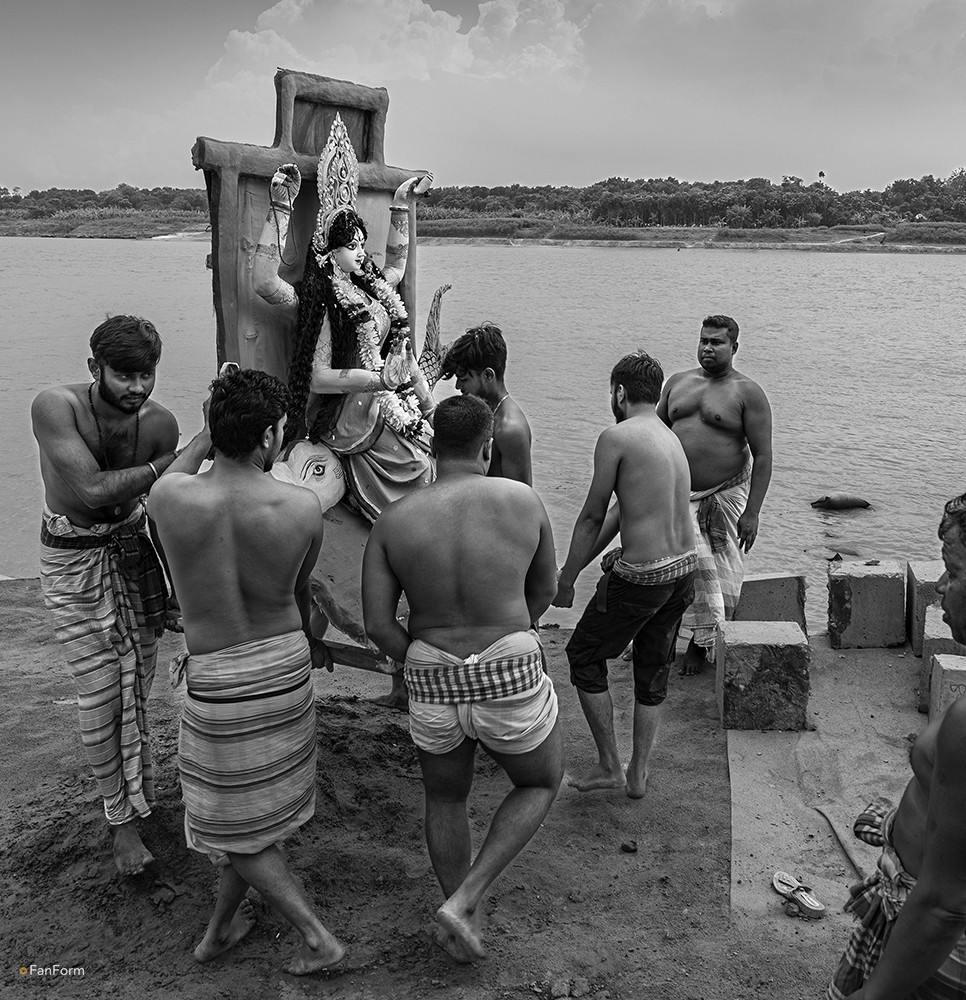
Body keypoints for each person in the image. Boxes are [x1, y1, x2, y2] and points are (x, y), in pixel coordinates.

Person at [146, 367, 345, 975]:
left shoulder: (169, 498)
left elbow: (177, 473)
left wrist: (209, 433)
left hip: (218, 679)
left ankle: (316, 936)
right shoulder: (302, 506)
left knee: (234, 825)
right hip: (282, 668)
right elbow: (299, 587)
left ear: (213, 428)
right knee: (250, 823)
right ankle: (219, 932)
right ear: (269, 437)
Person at [361, 394, 562, 963]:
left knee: (445, 797)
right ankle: (468, 898)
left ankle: (458, 909)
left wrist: (425, 663)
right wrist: (506, 638)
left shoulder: (393, 520)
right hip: (509, 668)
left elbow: (378, 624)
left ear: (431, 445)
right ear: (488, 444)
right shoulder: (523, 501)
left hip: (432, 677)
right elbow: (543, 592)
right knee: (541, 781)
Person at [31, 315, 211, 876]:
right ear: (94, 368)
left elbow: (159, 510)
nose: (137, 387)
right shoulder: (55, 406)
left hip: (132, 554)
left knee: (138, 687)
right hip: (72, 558)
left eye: (147, 375)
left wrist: (175, 590)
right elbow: (90, 489)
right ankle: (121, 823)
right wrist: (182, 454)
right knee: (102, 694)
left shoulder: (160, 422)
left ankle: (139, 795)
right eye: (125, 375)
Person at [828, 485, 966, 1000]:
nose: (941, 586)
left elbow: (946, 902)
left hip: (948, 947)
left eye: (955, 570)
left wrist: (875, 995)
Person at [251, 113, 436, 523]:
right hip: (347, 414)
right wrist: (281, 206)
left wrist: (401, 205)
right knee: (417, 465)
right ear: (327, 248)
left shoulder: (370, 285)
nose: (358, 251)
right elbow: (265, 283)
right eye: (349, 245)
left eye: (360, 243)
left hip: (388, 396)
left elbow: (397, 268)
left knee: (429, 448)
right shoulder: (319, 299)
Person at [554, 351, 696, 799]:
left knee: (583, 655)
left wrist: (565, 581)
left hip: (645, 577)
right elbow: (621, 513)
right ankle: (638, 774)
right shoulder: (667, 437)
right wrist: (570, 571)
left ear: (619, 392)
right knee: (653, 668)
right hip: (684, 569)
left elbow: (594, 516)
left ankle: (609, 766)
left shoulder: (615, 437)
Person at [656, 315, 772, 675]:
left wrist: (752, 513)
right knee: (667, 567)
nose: (708, 347)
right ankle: (662, 635)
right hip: (676, 493)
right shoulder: (677, 383)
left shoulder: (747, 393)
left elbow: (763, 455)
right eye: (704, 340)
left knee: (714, 574)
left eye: (717, 342)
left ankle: (699, 641)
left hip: (723, 496)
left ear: (734, 348)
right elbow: (652, 433)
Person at [442, 322, 533, 485]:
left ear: (488, 376)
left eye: (463, 379)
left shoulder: (509, 429)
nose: (457, 386)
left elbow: (522, 500)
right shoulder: (484, 412)